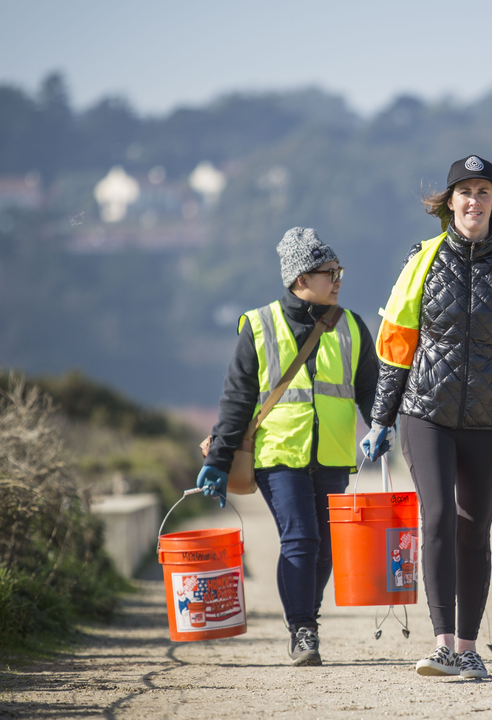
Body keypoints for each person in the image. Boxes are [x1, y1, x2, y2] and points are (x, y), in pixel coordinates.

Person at [362, 155, 492, 679]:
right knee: (437, 518)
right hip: (426, 411)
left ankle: (470, 648)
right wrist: (382, 418)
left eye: (483, 191)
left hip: (490, 416)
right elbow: (397, 341)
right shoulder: (423, 258)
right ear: (449, 202)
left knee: (474, 527)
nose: (474, 200)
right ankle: (443, 644)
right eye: (465, 191)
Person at [196, 227, 379, 667]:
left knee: (325, 550)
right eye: (328, 272)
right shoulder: (258, 326)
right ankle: (303, 630)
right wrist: (219, 461)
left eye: (339, 270)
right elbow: (237, 400)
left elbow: (373, 391)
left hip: (333, 455)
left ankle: (305, 617)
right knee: (301, 538)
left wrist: (385, 430)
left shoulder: (352, 326)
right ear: (300, 279)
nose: (338, 279)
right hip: (278, 456)